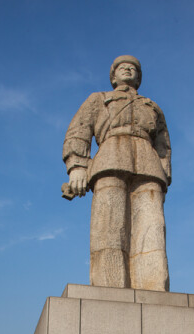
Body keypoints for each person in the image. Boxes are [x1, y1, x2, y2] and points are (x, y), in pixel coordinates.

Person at [62, 55, 171, 291]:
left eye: (133, 68)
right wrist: (77, 166)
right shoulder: (98, 100)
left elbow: (163, 145)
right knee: (109, 228)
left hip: (148, 164)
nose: (128, 69)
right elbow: (78, 131)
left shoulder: (152, 107)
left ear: (139, 77)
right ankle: (108, 287)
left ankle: (153, 288)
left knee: (152, 228)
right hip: (110, 157)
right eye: (123, 67)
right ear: (113, 75)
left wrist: (164, 177)